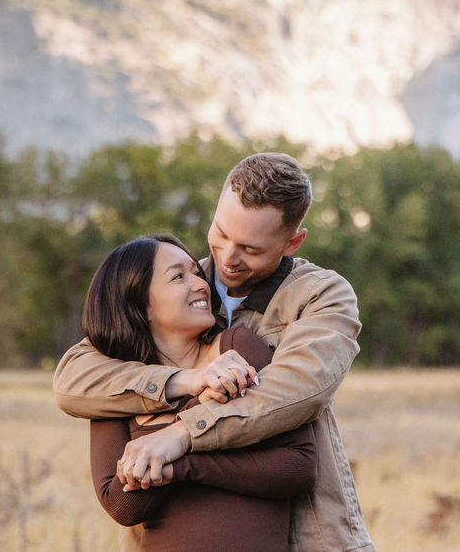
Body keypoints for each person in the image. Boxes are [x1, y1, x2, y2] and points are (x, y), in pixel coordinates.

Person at [55, 153, 374, 551]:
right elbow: (73, 378)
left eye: (250, 248)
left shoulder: (322, 296)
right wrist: (182, 379)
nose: (226, 258)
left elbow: (298, 389)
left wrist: (184, 434)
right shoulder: (174, 286)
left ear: (292, 242)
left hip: (310, 539)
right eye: (220, 233)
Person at [83, 234, 318, 549]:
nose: (201, 284)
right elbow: (121, 506)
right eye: (179, 276)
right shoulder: (118, 390)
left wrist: (183, 462)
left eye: (196, 272)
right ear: (140, 304)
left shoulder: (236, 350)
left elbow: (299, 467)